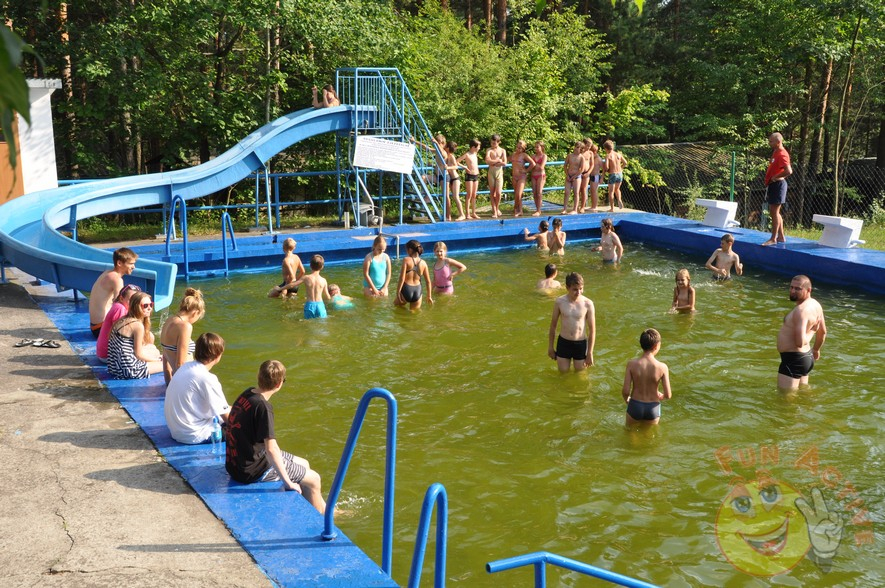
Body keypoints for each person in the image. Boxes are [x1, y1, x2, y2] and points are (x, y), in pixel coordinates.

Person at [225, 360, 326, 513]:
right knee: (314, 480)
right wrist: (288, 483)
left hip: (235, 465)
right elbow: (271, 449)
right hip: (251, 471)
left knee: (304, 463)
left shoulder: (247, 394)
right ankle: (322, 519)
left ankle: (320, 507)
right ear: (279, 384)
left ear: (258, 376)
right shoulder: (263, 408)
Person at [164, 332, 230, 444]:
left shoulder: (185, 367)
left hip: (176, 431)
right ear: (218, 355)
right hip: (195, 435)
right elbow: (226, 416)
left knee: (233, 409)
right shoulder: (207, 378)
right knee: (244, 423)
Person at [777, 275, 827, 390]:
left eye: (797, 289)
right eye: (791, 287)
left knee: (785, 398)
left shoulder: (801, 311)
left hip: (793, 360)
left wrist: (812, 331)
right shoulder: (816, 305)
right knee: (803, 393)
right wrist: (816, 349)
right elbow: (823, 332)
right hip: (806, 358)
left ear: (808, 290)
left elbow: (799, 342)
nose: (792, 291)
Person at [107, 291, 163, 379]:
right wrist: (157, 360)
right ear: (136, 307)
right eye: (145, 306)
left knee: (153, 349)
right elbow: (139, 355)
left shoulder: (123, 319)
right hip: (130, 370)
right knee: (166, 363)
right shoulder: (137, 325)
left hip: (115, 368)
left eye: (151, 305)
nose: (149, 308)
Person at [622, 328, 672, 427]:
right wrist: (662, 396)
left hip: (635, 405)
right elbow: (668, 395)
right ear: (656, 346)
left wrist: (627, 399)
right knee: (648, 435)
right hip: (653, 408)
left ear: (641, 344)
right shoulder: (662, 367)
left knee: (630, 433)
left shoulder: (631, 364)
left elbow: (626, 391)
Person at [548, 272, 595, 373]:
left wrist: (590, 352)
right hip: (564, 343)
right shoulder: (559, 302)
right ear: (567, 288)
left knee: (581, 375)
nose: (578, 292)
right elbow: (553, 326)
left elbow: (592, 330)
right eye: (575, 289)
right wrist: (550, 347)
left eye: (581, 289)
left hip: (580, 344)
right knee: (563, 374)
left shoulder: (588, 304)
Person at [89, 247, 138, 339]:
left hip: (95, 326)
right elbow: (120, 305)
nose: (133, 267)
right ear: (119, 263)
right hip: (101, 328)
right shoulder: (116, 280)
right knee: (139, 330)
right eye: (131, 264)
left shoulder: (107, 273)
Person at [159, 287, 205, 384]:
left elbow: (165, 356)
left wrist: (169, 383)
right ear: (195, 313)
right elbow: (180, 363)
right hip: (186, 379)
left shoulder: (169, 320)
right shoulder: (185, 326)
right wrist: (181, 387)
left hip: (177, 378)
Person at [96, 284, 141, 362]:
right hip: (108, 355)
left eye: (136, 301)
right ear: (121, 298)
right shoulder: (120, 309)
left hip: (106, 352)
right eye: (131, 300)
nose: (133, 303)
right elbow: (121, 335)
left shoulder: (119, 306)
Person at [762, 132, 793, 246]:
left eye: (771, 141)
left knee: (774, 212)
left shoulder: (782, 154)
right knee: (775, 212)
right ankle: (781, 236)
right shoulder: (776, 152)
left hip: (778, 185)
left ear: (778, 142)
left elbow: (789, 171)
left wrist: (775, 177)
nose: (769, 143)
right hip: (773, 185)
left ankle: (773, 238)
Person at [283, 254, 331, 319]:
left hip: (310, 305)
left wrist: (280, 288)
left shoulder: (306, 278)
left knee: (309, 323)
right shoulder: (323, 280)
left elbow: (292, 285)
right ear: (322, 267)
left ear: (310, 265)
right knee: (322, 323)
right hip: (320, 305)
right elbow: (327, 297)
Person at [394, 239, 433, 310]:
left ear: (410, 250)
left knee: (396, 308)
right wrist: (429, 296)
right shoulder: (424, 263)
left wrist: (398, 293)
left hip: (407, 289)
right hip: (417, 291)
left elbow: (402, 278)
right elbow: (428, 282)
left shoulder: (406, 260)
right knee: (414, 313)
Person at [457, 139, 482, 220]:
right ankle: (467, 213)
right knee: (469, 194)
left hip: (476, 175)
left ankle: (473, 212)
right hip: (470, 175)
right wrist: (464, 167)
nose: (479, 148)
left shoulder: (475, 154)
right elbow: (457, 161)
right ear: (473, 147)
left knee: (474, 194)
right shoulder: (467, 154)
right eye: (478, 147)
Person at [510, 140, 535, 217]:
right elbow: (505, 160)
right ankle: (520, 210)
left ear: (523, 149)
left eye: (520, 148)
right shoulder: (513, 155)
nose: (518, 149)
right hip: (514, 176)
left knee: (518, 194)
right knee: (517, 195)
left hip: (521, 176)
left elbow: (533, 163)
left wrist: (526, 170)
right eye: (517, 147)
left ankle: (515, 207)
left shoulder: (524, 155)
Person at [485, 134, 507, 219]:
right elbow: (487, 160)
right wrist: (497, 160)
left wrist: (494, 162)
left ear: (498, 142)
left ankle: (497, 208)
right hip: (491, 172)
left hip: (499, 172)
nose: (492, 144)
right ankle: (494, 210)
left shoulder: (502, 150)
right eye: (491, 143)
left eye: (494, 143)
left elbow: (505, 163)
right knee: (492, 192)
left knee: (498, 193)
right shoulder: (489, 150)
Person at [443, 141, 466, 221]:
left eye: (446, 146)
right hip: (450, 178)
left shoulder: (451, 156)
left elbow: (456, 166)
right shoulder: (446, 155)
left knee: (456, 197)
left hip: (455, 178)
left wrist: (448, 168)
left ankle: (462, 214)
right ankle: (452, 214)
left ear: (448, 148)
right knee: (453, 196)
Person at [603, 140, 627, 211]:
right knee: (617, 189)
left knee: (611, 191)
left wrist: (606, 171)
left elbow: (606, 167)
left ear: (606, 148)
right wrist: (621, 168)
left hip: (612, 174)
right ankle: (619, 199)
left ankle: (612, 208)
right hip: (620, 174)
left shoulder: (608, 156)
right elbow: (625, 162)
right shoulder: (618, 154)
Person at [563, 142, 584, 214]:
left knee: (576, 192)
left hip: (576, 176)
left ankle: (575, 209)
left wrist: (574, 176)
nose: (575, 148)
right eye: (575, 147)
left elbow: (582, 169)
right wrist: (567, 175)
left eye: (577, 147)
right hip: (569, 175)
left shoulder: (581, 157)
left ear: (581, 149)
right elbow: (565, 165)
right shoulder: (569, 156)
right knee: (567, 192)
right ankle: (564, 209)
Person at [530, 141, 547, 216]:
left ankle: (539, 210)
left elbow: (541, 167)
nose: (536, 148)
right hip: (533, 175)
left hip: (541, 175)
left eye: (537, 147)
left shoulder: (544, 156)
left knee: (539, 193)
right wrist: (535, 165)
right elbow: (531, 166)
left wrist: (534, 165)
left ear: (542, 147)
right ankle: (537, 209)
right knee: (534, 193)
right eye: (535, 147)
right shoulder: (533, 156)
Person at [577, 138, 593, 213]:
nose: (589, 147)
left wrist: (588, 173)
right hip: (579, 173)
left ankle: (582, 207)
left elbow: (592, 164)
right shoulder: (580, 152)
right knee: (577, 190)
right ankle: (576, 206)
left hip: (586, 173)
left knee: (583, 189)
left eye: (590, 146)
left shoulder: (590, 153)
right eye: (587, 146)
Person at [588, 143, 603, 212]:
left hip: (596, 176)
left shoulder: (598, 159)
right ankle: (593, 205)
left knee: (594, 191)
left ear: (594, 151)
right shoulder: (592, 158)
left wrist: (602, 178)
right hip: (592, 176)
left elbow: (604, 169)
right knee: (592, 191)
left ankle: (595, 206)